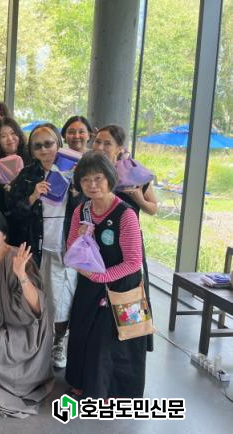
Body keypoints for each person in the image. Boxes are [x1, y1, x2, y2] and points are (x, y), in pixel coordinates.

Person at [66, 151, 146, 399]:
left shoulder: (126, 214)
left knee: (112, 340)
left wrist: (102, 277)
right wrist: (81, 240)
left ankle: (114, 391)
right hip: (90, 283)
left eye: (98, 178)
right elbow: (70, 248)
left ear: (110, 178)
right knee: (81, 332)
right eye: (86, 180)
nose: (92, 185)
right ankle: (80, 382)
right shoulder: (81, 211)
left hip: (123, 287)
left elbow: (133, 262)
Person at [6, 123, 82, 369]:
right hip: (35, 247)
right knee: (33, 298)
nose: (44, 150)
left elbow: (88, 205)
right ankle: (35, 343)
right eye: (37, 146)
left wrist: (76, 192)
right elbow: (12, 210)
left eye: (48, 144)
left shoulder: (75, 171)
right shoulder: (28, 175)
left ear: (58, 143)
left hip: (65, 247)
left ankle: (59, 341)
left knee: (62, 300)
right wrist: (32, 196)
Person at [0, 209, 53, 418]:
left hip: (26, 331)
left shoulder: (17, 258)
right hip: (0, 328)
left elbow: (36, 308)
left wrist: (21, 275)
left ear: (4, 234)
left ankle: (15, 388)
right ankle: (0, 387)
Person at [92, 124, 157, 352]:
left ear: (120, 148)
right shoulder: (89, 172)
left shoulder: (135, 174)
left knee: (129, 298)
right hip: (96, 246)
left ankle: (129, 355)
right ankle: (99, 353)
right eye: (97, 141)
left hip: (128, 247)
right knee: (97, 301)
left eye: (107, 143)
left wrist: (138, 198)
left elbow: (153, 208)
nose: (100, 147)